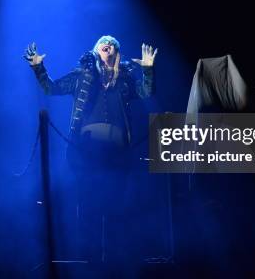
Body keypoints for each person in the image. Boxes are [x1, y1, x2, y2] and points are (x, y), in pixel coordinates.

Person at [24, 36, 157, 268]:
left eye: (113, 47)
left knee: (115, 202)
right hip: (88, 151)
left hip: (117, 152)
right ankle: (89, 258)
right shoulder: (82, 75)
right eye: (104, 46)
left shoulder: (124, 79)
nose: (109, 49)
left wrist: (147, 69)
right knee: (89, 201)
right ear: (97, 51)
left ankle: (115, 259)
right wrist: (38, 66)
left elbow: (146, 92)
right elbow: (51, 88)